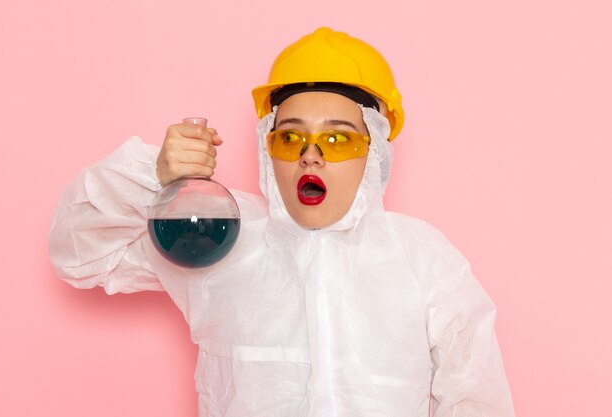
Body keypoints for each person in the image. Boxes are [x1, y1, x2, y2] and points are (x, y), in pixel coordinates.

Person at [49, 27, 515, 417]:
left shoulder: (424, 258)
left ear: (375, 153)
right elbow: (80, 254)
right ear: (267, 146)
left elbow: (477, 399)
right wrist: (154, 177)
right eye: (290, 137)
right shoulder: (218, 235)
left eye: (337, 139)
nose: (310, 155)